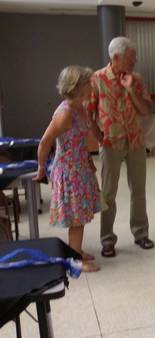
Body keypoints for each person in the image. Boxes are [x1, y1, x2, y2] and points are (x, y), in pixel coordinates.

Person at [89, 36, 154, 258]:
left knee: (139, 191)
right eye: (131, 57)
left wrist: (131, 90)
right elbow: (88, 113)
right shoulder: (96, 79)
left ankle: (141, 233)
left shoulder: (136, 79)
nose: (135, 61)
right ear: (116, 57)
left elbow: (146, 110)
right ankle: (107, 240)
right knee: (108, 194)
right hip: (110, 144)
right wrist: (99, 137)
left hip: (135, 141)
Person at [36, 66, 102, 272]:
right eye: (88, 83)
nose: (92, 86)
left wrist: (90, 163)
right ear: (77, 86)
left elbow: (81, 139)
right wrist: (41, 168)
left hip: (80, 168)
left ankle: (77, 250)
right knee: (77, 217)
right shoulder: (65, 113)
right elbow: (45, 142)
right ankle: (75, 261)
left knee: (80, 214)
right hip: (69, 171)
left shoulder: (80, 107)